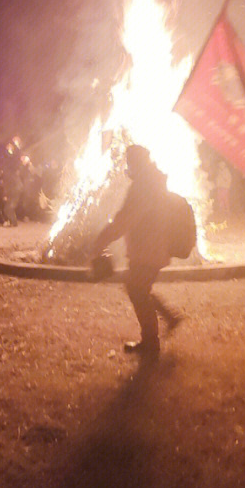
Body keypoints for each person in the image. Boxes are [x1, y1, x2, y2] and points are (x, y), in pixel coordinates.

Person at [90, 145, 184, 360]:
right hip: (153, 246)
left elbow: (126, 218)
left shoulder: (144, 185)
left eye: (129, 161)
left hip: (148, 248)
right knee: (139, 288)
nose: (127, 166)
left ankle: (151, 343)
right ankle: (170, 318)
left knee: (137, 290)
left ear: (136, 162)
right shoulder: (152, 181)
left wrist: (101, 240)